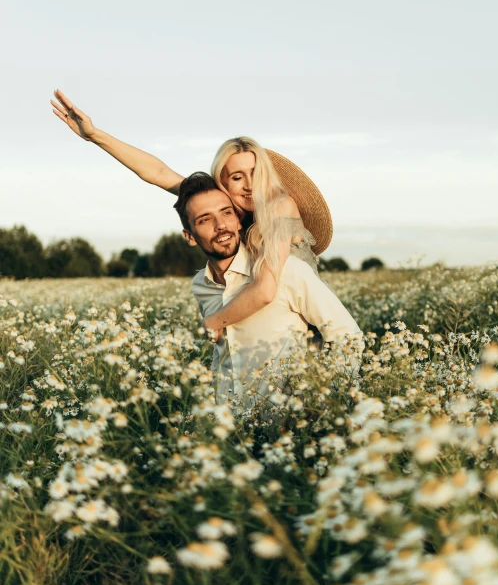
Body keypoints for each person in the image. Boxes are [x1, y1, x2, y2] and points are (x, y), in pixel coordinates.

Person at [50, 89, 334, 341]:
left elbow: (266, 289)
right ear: (222, 183)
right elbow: (159, 173)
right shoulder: (229, 213)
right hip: (266, 334)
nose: (249, 185)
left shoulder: (279, 206)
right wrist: (95, 135)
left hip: (308, 332)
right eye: (237, 177)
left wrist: (213, 321)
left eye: (255, 173)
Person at [174, 172, 362, 407]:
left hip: (291, 428)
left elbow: (348, 336)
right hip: (234, 430)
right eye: (204, 220)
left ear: (238, 220)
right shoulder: (201, 285)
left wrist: (325, 403)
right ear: (189, 237)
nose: (221, 225)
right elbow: (225, 354)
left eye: (226, 213)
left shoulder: (286, 270)